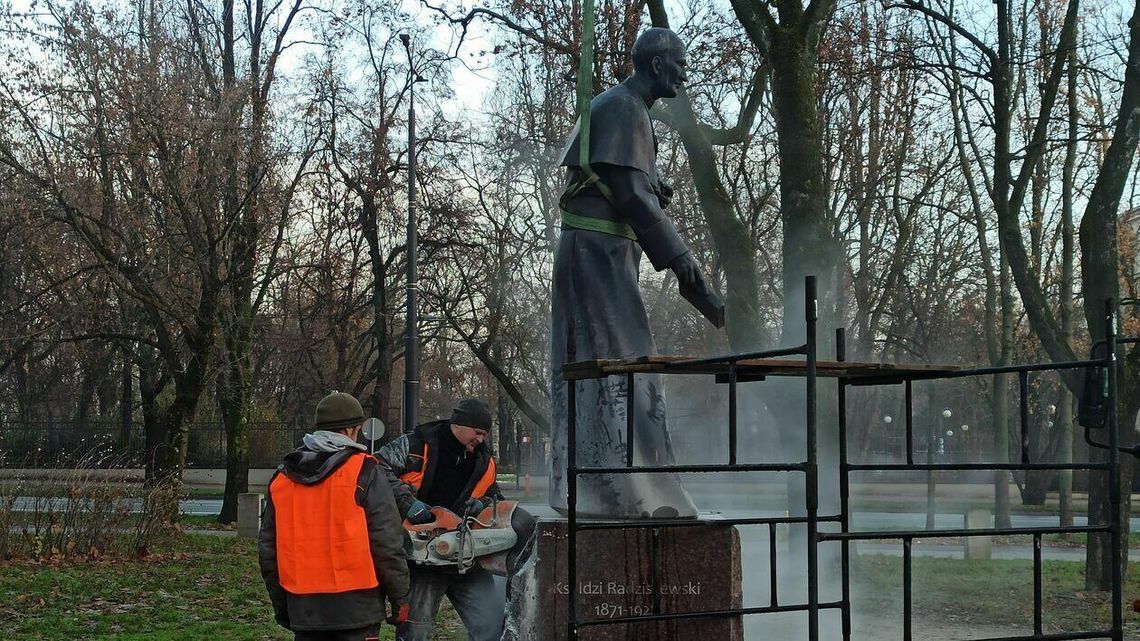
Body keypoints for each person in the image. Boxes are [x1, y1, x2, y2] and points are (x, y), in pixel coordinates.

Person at [550, 27, 714, 518]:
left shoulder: (623, 107)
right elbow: (631, 196)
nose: (685, 75)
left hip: (599, 254)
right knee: (624, 364)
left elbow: (628, 184)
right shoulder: (624, 107)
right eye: (680, 64)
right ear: (658, 64)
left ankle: (610, 489)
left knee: (608, 365)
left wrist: (652, 187)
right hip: (597, 257)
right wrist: (681, 258)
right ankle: (634, 492)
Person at [258, 391, 411, 641]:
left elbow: (268, 551)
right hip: (358, 608)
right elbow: (387, 543)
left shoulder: (283, 477)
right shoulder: (364, 470)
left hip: (303, 608)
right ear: (351, 430)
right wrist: (400, 598)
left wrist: (282, 606)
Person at [376, 398, 531, 641]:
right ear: (458, 424)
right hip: (422, 560)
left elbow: (494, 498)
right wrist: (407, 503)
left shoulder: (484, 461)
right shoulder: (415, 445)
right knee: (414, 633)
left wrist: (482, 504)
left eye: (484, 435)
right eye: (477, 432)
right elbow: (375, 469)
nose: (480, 439)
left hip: (468, 557)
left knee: (492, 627)